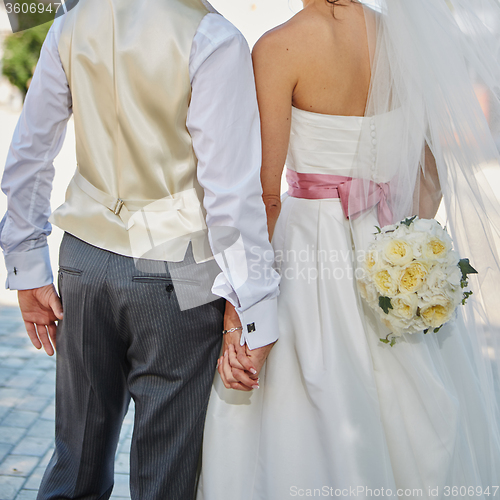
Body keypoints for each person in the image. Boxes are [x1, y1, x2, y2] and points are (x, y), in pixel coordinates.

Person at [197, 0, 500, 498]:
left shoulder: (278, 48)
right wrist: (410, 251)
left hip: (308, 251)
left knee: (306, 402)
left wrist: (240, 314)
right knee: (407, 406)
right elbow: (430, 172)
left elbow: (265, 196)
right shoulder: (405, 40)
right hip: (389, 244)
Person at [0, 0, 280, 498]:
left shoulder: (70, 22)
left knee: (75, 463)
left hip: (84, 256)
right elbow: (231, 195)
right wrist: (254, 308)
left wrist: (28, 268)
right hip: (179, 263)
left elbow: (29, 154)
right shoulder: (213, 37)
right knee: (164, 473)